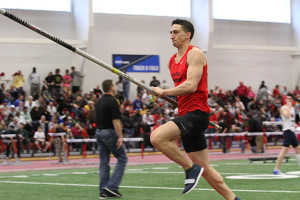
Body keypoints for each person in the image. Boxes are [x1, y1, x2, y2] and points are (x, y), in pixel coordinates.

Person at [150, 19, 240, 200]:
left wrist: (164, 91)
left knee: (157, 137)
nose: (172, 36)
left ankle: (190, 169)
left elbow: (191, 86)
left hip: (197, 114)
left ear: (187, 34)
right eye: (170, 33)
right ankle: (233, 199)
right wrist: (170, 96)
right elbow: (183, 91)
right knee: (206, 169)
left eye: (175, 32)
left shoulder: (195, 54)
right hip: (186, 114)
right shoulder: (171, 62)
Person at [94, 79, 128, 199]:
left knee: (104, 162)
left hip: (99, 132)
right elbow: (116, 120)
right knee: (122, 158)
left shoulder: (98, 102)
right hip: (109, 132)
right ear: (111, 87)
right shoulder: (113, 101)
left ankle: (103, 190)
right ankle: (112, 187)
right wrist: (120, 136)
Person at [273, 94, 300, 175]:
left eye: (290, 99)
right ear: (285, 100)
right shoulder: (283, 108)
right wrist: (288, 107)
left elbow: (292, 119)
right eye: (287, 99)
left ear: (292, 100)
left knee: (298, 149)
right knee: (284, 150)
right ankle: (276, 169)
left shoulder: (292, 108)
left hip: (291, 131)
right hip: (287, 131)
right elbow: (287, 116)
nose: (288, 100)